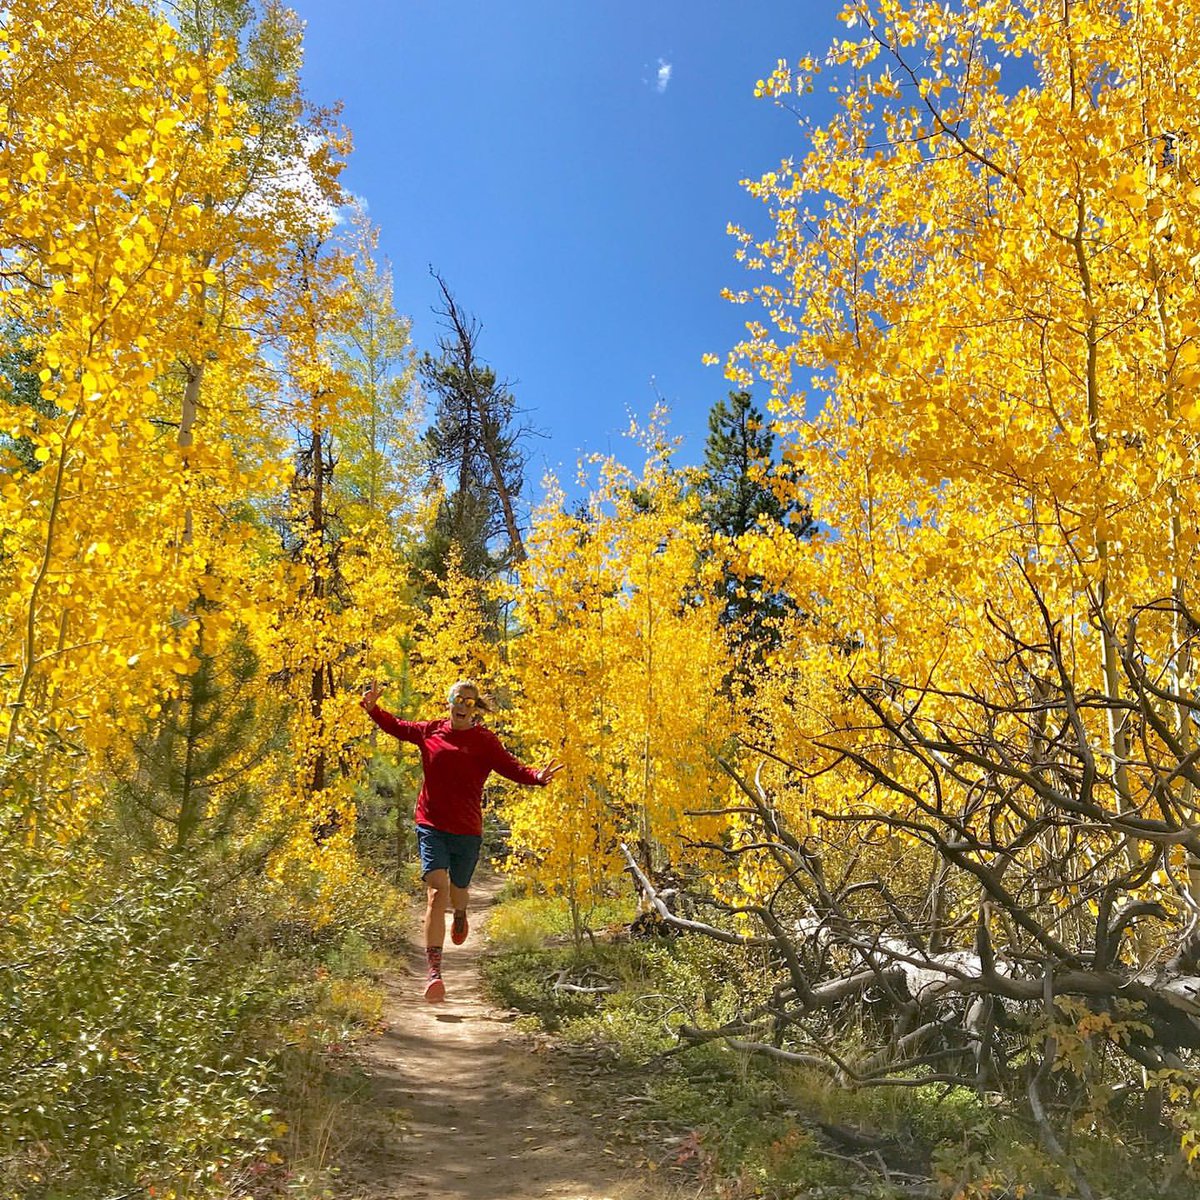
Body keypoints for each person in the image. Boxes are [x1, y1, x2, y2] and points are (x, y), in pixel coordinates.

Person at [360, 678, 563, 1002]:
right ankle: (434, 973)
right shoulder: (430, 731)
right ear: (449, 702)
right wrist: (373, 709)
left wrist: (537, 776)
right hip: (431, 825)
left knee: (458, 893)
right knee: (436, 893)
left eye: (470, 701)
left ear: (475, 707)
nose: (463, 705)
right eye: (459, 699)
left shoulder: (484, 741)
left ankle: (461, 913)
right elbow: (398, 727)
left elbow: (511, 767)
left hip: (467, 830)